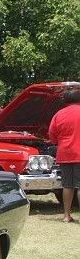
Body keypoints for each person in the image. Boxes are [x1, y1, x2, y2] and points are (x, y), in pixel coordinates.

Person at [48, 88, 80, 223]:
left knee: (67, 186)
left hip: (64, 154)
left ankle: (66, 215)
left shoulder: (59, 114)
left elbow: (52, 135)